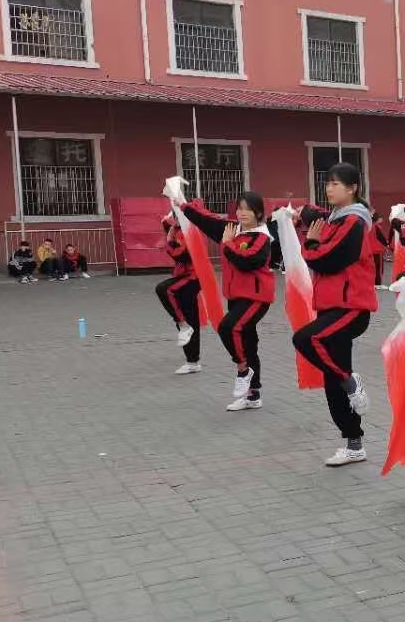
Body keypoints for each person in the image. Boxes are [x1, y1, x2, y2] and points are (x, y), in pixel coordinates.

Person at [285, 163, 378, 468]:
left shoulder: (354, 221)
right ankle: (353, 444)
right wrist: (298, 219)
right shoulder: (335, 220)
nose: (329, 189)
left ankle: (350, 381)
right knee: (330, 381)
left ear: (353, 188)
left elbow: (328, 259)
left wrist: (311, 244)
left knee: (305, 339)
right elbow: (313, 222)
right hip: (331, 306)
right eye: (327, 183)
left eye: (336, 184)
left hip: (351, 308)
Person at [180, 191, 274, 411]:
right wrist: (182, 205)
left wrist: (228, 244)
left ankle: (243, 370)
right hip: (236, 297)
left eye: (247, 209)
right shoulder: (232, 230)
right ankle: (253, 395)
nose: (241, 213)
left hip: (256, 298)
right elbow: (207, 220)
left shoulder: (261, 238)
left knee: (228, 327)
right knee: (248, 344)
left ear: (258, 213)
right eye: (239, 208)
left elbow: (247, 261)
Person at [156, 214, 202, 375]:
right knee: (191, 319)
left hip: (192, 277)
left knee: (164, 289)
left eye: (178, 215)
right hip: (184, 276)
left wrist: (169, 241)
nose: (174, 219)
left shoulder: (191, 232)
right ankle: (193, 362)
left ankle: (183, 325)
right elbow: (167, 224)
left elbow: (180, 254)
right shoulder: (178, 228)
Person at [370, 213, 390, 288]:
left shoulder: (370, 226)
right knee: (378, 268)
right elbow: (381, 237)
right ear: (377, 219)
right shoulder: (376, 226)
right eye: (381, 218)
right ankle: (378, 284)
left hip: (371, 250)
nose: (382, 219)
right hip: (377, 250)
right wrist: (386, 244)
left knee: (373, 267)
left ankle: (373, 283)